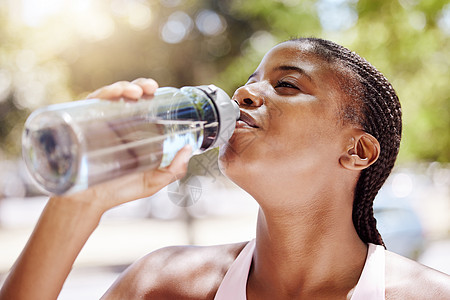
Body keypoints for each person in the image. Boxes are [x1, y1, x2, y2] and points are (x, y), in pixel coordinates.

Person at [0, 37, 449, 300]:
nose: (245, 93)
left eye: (287, 84)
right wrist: (78, 205)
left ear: (357, 151)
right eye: (250, 81)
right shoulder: (161, 284)